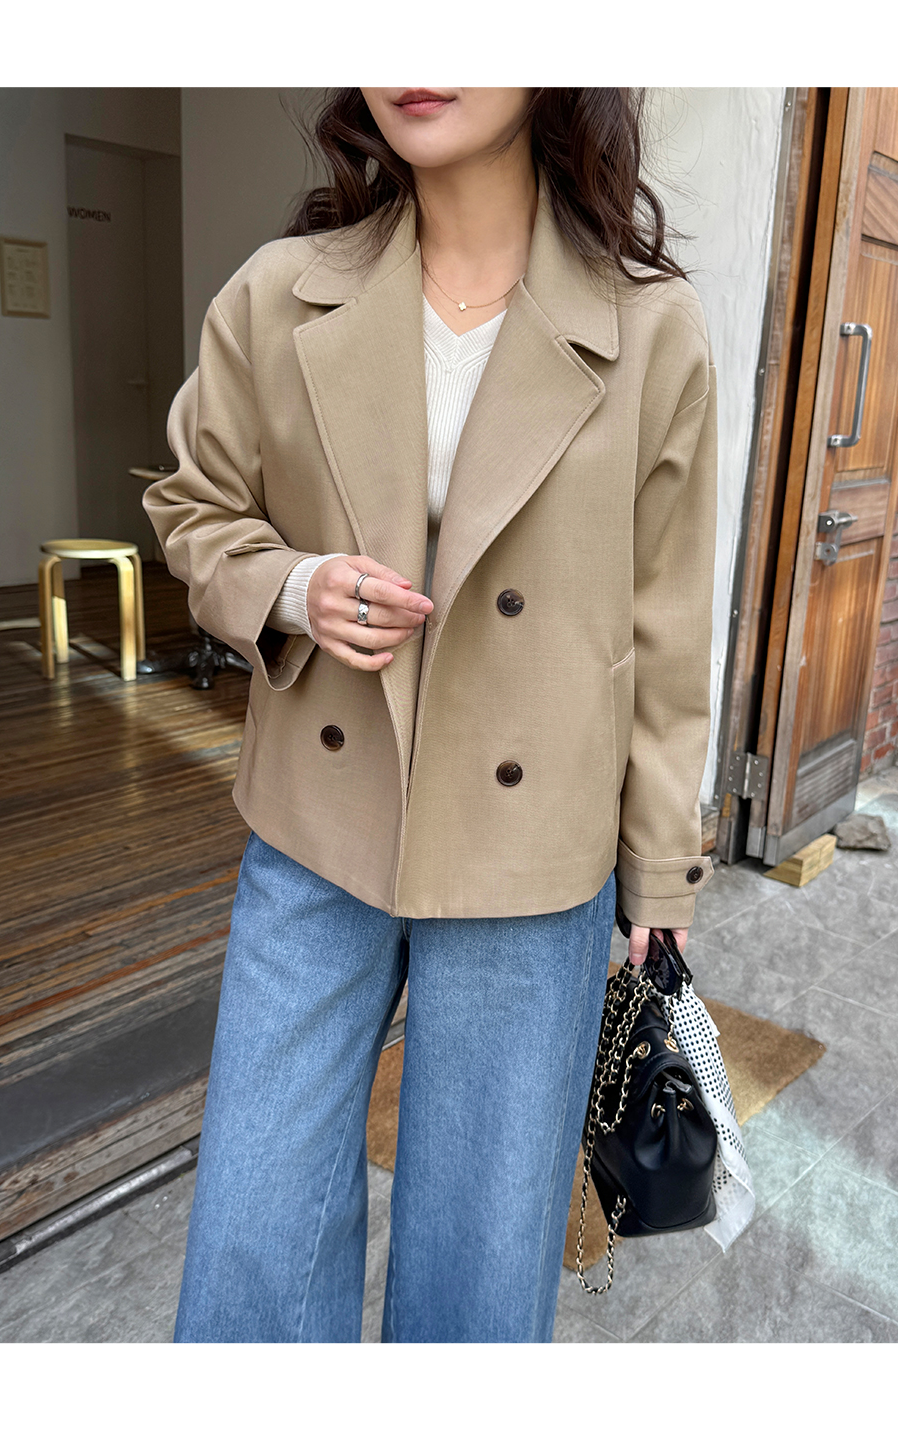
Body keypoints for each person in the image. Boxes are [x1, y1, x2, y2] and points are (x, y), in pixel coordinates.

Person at [144, 87, 718, 1344]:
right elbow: (194, 506)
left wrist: (659, 872)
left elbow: (666, 625)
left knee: (481, 1271)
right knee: (251, 1237)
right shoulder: (281, 292)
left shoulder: (650, 327)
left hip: (532, 860)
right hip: (317, 829)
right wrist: (291, 586)